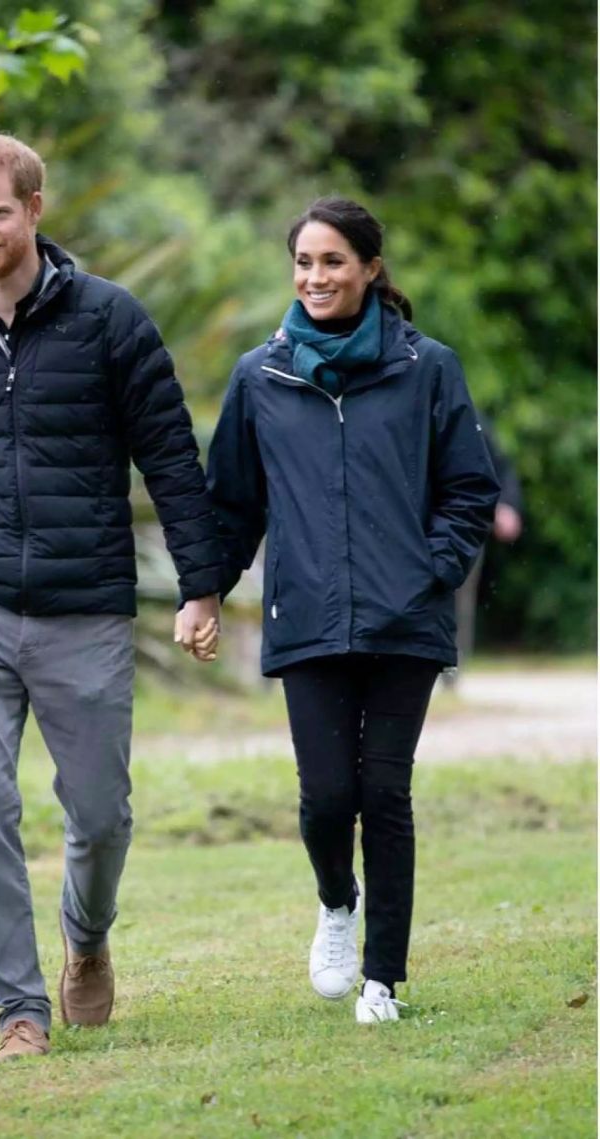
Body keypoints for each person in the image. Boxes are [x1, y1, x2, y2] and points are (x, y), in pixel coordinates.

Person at [0, 133, 221, 1062]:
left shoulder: (111, 319)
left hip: (88, 606)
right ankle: (18, 1013)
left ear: (35, 208)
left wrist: (201, 587)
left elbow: (172, 460)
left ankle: (87, 935)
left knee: (102, 812)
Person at [202, 196, 500, 1023]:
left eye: (332, 261)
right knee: (328, 795)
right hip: (307, 620)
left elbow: (470, 487)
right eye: (303, 262)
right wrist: (205, 593)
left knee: (385, 790)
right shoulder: (261, 377)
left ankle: (383, 979)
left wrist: (429, 569)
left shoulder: (426, 367)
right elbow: (231, 504)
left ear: (371, 268)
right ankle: (338, 901)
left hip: (406, 620)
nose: (315, 276)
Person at [452, 420, 523, 672]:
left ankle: (454, 663)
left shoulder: (471, 418)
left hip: (465, 524)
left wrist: (507, 505)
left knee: (460, 598)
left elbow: (501, 468)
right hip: (412, 528)